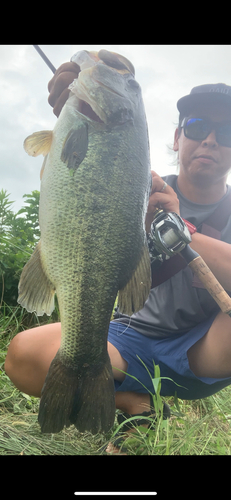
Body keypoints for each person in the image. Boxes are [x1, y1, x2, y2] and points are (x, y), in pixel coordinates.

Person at [4, 57, 231, 454]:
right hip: (124, 340)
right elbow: (71, 185)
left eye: (226, 131)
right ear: (178, 137)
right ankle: (136, 404)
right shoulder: (138, 185)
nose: (210, 139)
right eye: (197, 127)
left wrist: (181, 228)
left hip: (198, 353)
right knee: (22, 356)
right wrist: (72, 123)